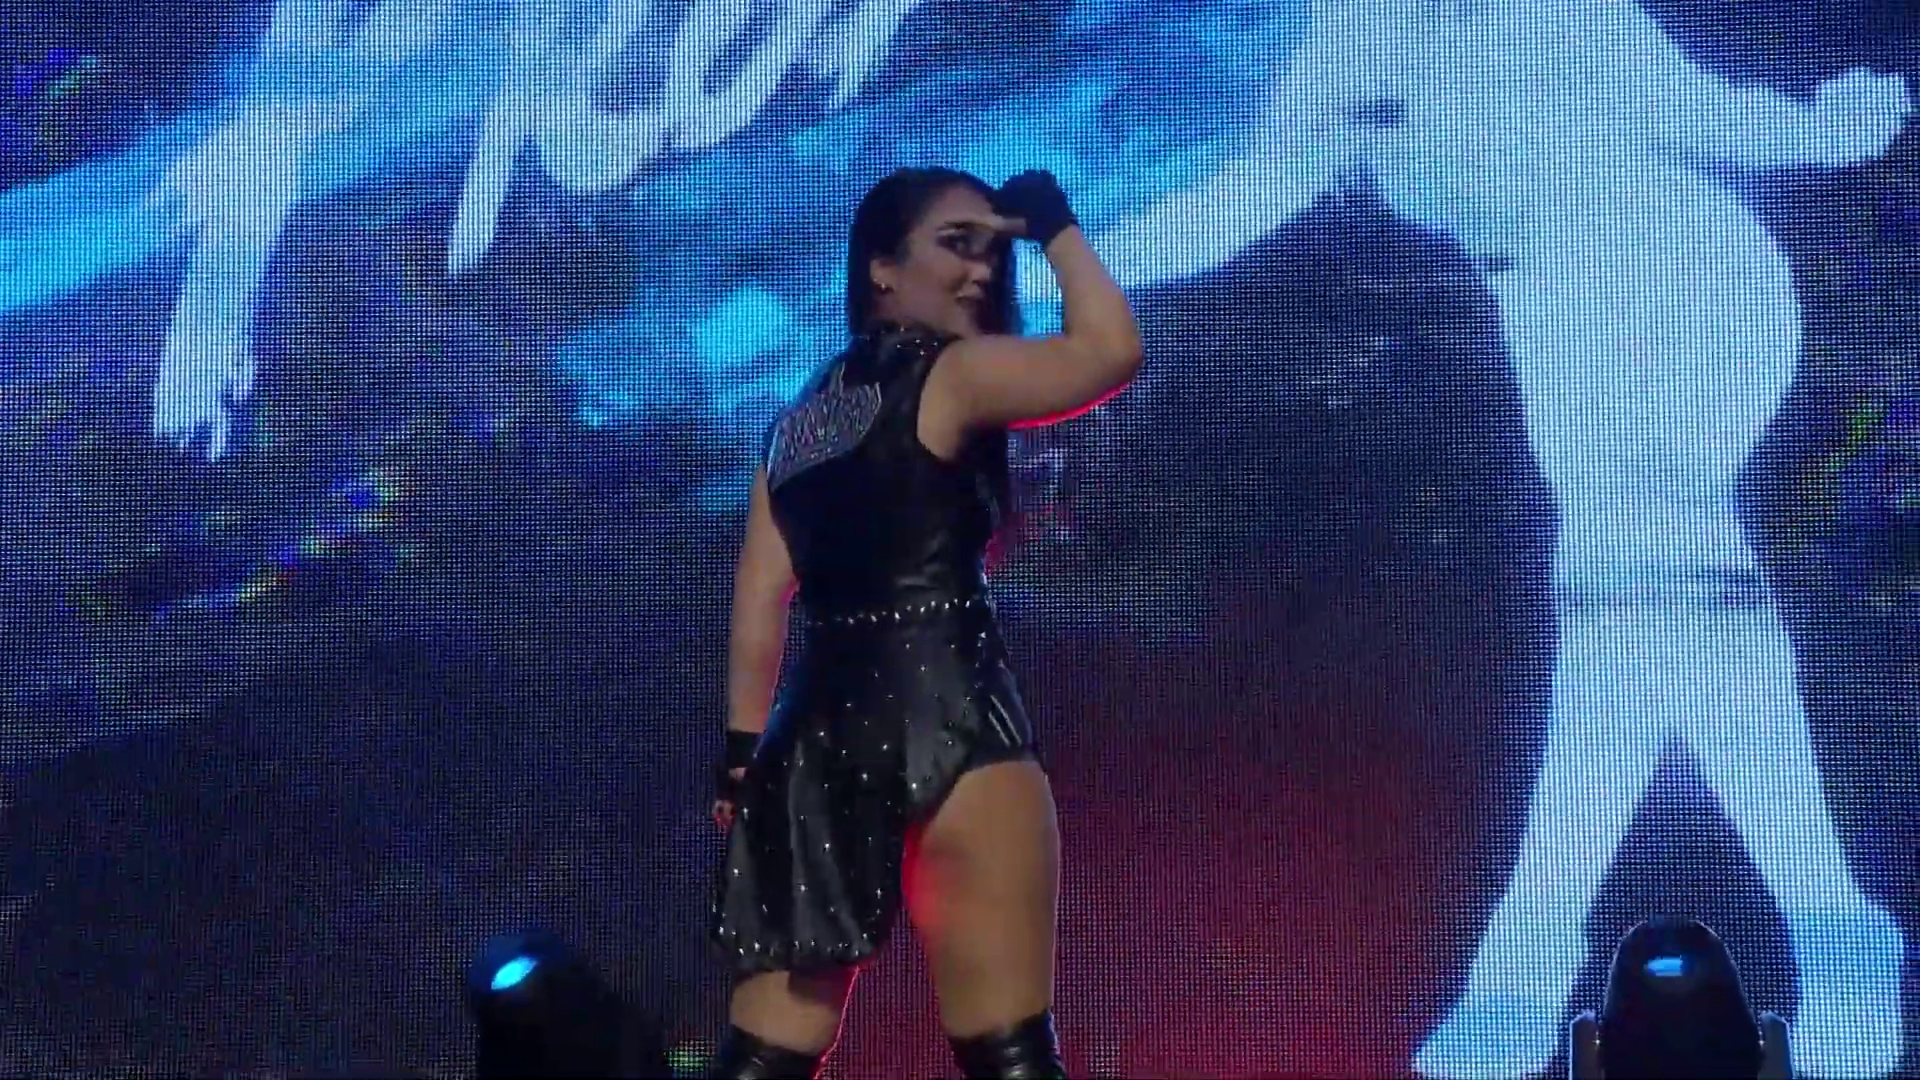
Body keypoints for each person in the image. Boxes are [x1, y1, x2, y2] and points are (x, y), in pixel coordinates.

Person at [705, 166, 1143, 1079]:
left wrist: (743, 758)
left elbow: (759, 595)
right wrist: (1053, 225)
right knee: (1008, 1056)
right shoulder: (955, 372)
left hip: (810, 746)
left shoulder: (796, 424)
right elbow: (1109, 350)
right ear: (882, 268)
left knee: (759, 1063)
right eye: (957, 245)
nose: (983, 270)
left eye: (995, 253)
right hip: (953, 716)